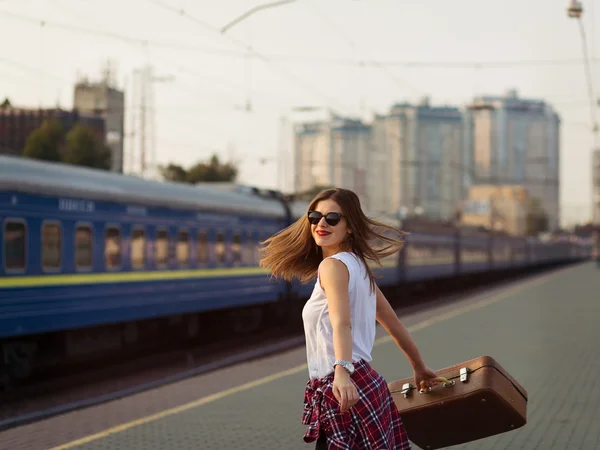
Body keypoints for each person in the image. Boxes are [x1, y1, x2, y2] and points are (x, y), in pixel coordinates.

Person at [260, 188, 439, 449]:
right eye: (315, 216)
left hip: (345, 389)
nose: (321, 223)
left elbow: (341, 323)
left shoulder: (332, 266)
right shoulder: (357, 266)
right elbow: (393, 322)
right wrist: (419, 367)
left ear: (351, 227)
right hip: (367, 385)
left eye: (332, 218)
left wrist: (341, 374)